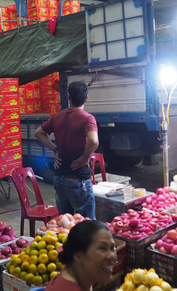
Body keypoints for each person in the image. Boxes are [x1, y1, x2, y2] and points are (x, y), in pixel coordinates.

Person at [34, 81, 99, 219]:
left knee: (65, 223)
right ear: (87, 98)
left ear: (69, 97)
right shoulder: (87, 118)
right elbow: (93, 141)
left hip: (59, 178)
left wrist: (55, 149)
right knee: (87, 224)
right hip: (78, 179)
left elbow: (39, 133)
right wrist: (85, 158)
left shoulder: (58, 116)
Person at [45, 220, 117, 291]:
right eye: (102, 248)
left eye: (112, 248)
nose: (111, 256)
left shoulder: (82, 280)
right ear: (78, 255)